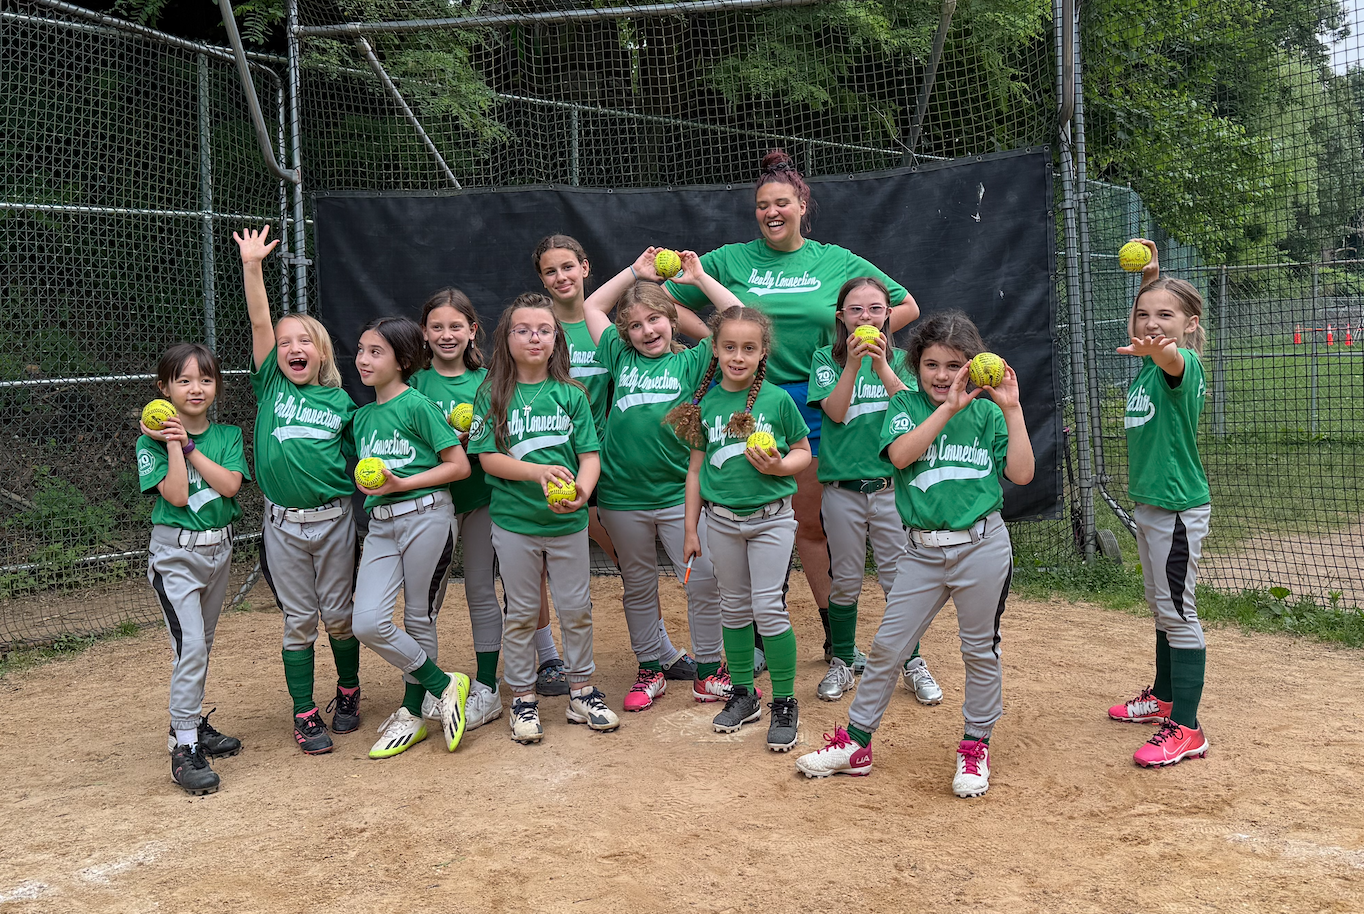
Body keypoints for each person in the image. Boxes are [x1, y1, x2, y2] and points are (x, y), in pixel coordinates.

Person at [663, 150, 920, 668]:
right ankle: (759, 632)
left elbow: (904, 304)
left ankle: (834, 639)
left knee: (808, 525)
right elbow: (664, 300)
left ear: (803, 205)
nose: (771, 212)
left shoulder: (835, 260)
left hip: (825, 399)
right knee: (761, 512)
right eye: (762, 205)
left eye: (782, 203)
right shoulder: (733, 258)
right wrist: (718, 339)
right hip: (752, 402)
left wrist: (852, 344)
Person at [794, 312, 1034, 798]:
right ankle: (856, 743)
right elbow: (902, 456)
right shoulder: (903, 403)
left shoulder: (988, 413)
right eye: (931, 364)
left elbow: (1023, 474)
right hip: (921, 552)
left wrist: (1011, 408)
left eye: (954, 365)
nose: (942, 375)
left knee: (979, 650)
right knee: (887, 647)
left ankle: (975, 745)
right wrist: (946, 408)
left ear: (972, 365)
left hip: (982, 547)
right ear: (915, 366)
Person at [532, 236, 702, 688]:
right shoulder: (537, 327)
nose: (560, 277)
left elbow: (729, 327)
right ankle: (551, 658)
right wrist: (633, 273)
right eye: (550, 271)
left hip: (604, 465)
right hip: (559, 462)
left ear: (585, 267)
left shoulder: (642, 352)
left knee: (652, 572)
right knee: (547, 565)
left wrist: (645, 278)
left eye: (568, 266)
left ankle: (677, 655)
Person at [582, 248, 742, 709]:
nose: (647, 330)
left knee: (704, 579)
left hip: (679, 496)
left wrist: (699, 277)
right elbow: (593, 307)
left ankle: (710, 671)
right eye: (635, 325)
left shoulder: (692, 363)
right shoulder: (618, 356)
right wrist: (634, 271)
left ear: (672, 320)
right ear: (624, 333)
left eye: (655, 320)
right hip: (622, 496)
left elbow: (734, 320)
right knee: (637, 582)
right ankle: (650, 665)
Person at [467, 294, 621, 743]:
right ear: (506, 338)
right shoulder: (492, 392)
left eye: (544, 330)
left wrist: (582, 493)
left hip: (567, 523)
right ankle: (523, 699)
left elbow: (589, 458)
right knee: (522, 612)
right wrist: (538, 473)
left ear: (557, 338)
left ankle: (581, 692)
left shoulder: (571, 393)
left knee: (576, 608)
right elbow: (489, 460)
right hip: (515, 522)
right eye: (523, 330)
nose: (534, 337)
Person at [235, 225, 361, 757]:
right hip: (283, 524)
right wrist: (252, 265)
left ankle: (350, 691)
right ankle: (305, 711)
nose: (292, 347)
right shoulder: (273, 384)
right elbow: (261, 319)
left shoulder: (341, 404)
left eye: (304, 340)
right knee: (298, 620)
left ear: (322, 351)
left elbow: (375, 450)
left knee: (340, 616)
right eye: (285, 343)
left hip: (334, 521)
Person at [673, 306, 811, 751]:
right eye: (729, 347)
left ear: (762, 351)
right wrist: (691, 529)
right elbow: (695, 471)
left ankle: (785, 701)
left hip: (772, 519)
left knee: (768, 608)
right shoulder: (706, 404)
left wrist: (779, 466)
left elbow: (803, 452)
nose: (737, 356)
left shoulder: (776, 400)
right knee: (732, 607)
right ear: (715, 348)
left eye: (748, 348)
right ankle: (744, 694)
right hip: (722, 522)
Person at [806, 277, 940, 704]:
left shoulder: (902, 361)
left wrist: (881, 365)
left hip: (891, 490)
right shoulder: (826, 359)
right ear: (841, 317)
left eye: (875, 309)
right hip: (843, 490)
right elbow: (836, 411)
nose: (866, 317)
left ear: (887, 316)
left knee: (899, 581)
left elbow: (914, 412)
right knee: (845, 580)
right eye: (857, 310)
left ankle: (911, 662)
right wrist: (852, 364)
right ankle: (843, 661)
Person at [1106, 240, 1211, 768]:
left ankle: (1187, 727)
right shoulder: (1148, 367)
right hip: (1153, 507)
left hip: (1175, 508)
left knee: (1179, 611)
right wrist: (1150, 277)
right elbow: (1152, 337)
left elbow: (1167, 354)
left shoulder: (1178, 365)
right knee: (1161, 607)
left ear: (1189, 325)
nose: (1151, 323)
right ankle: (1164, 697)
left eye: (1166, 316)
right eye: (1143, 315)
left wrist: (1160, 345)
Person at [349, 317, 472, 760]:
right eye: (361, 349)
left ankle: (411, 713)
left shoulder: (418, 405)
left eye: (375, 352)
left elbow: (458, 466)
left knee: (419, 617)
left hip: (427, 516)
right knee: (366, 621)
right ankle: (444, 685)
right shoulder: (361, 416)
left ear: (402, 361)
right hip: (381, 524)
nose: (363, 359)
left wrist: (403, 483)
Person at [137, 343, 249, 794]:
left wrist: (189, 443)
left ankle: (190, 724)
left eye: (205, 379)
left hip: (218, 553)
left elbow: (229, 485)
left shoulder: (227, 436)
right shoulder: (147, 442)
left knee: (200, 645)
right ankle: (183, 745)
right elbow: (179, 497)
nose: (195, 388)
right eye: (183, 380)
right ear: (164, 388)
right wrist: (171, 444)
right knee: (192, 647)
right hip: (174, 558)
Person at [410, 288, 504, 732]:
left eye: (455, 327)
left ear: (472, 331)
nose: (447, 335)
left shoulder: (489, 381)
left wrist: (473, 444)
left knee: (481, 590)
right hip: (432, 505)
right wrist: (445, 446)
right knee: (428, 598)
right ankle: (425, 687)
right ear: (424, 334)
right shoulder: (412, 382)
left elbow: (501, 439)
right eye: (437, 327)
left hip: (482, 498)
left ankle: (487, 686)